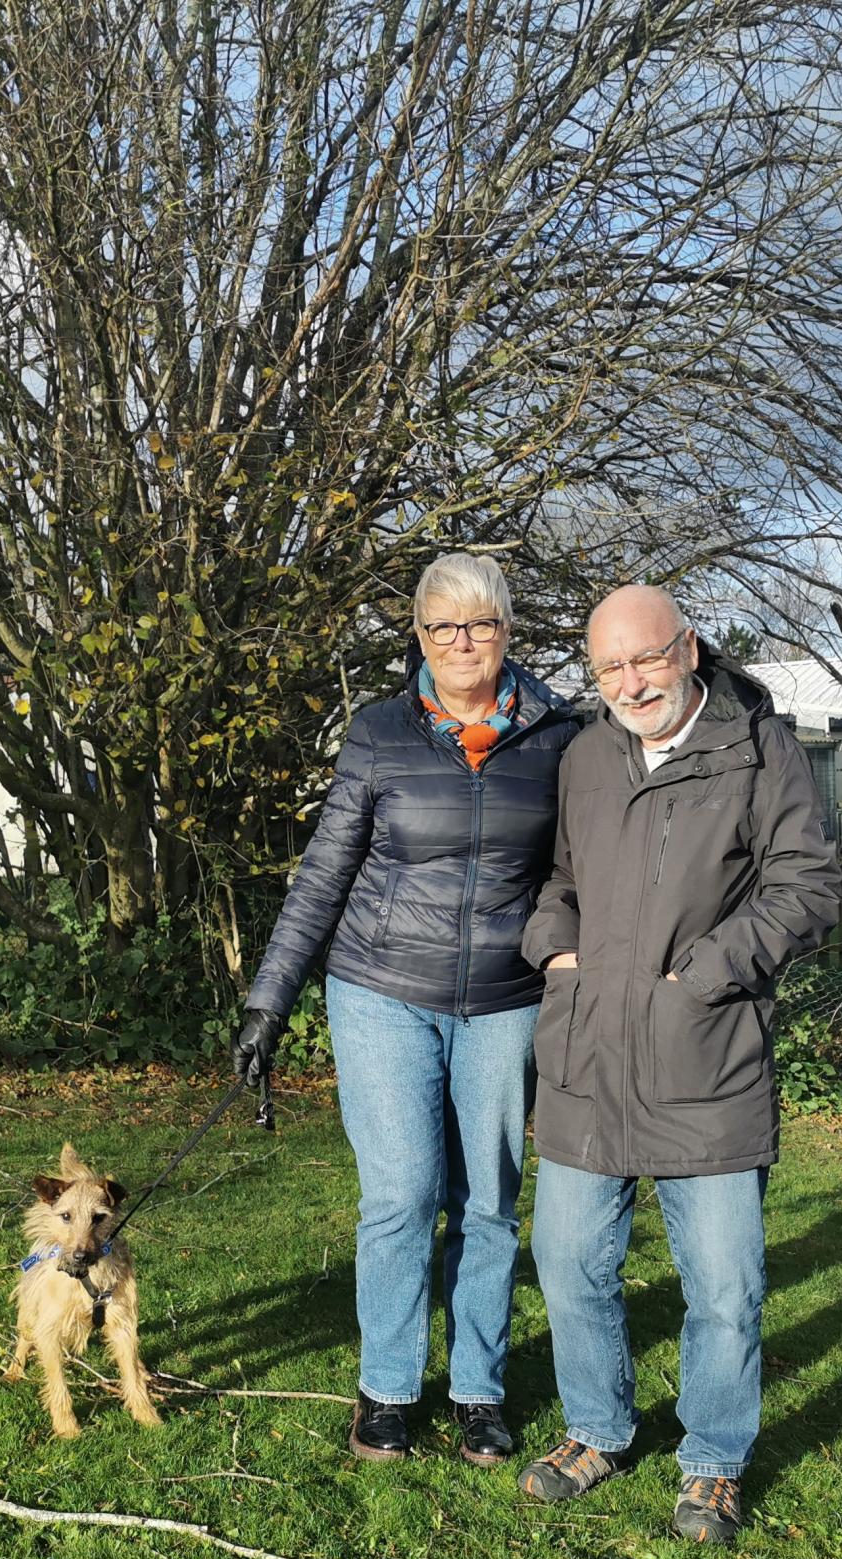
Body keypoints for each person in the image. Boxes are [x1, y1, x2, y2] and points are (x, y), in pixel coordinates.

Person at [232, 553, 581, 1465]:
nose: (464, 644)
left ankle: (478, 1390)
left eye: (483, 625)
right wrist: (270, 996)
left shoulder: (560, 735)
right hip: (381, 991)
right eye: (443, 628)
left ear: (511, 630)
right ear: (420, 637)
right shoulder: (382, 730)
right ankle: (385, 1390)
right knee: (400, 1195)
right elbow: (325, 873)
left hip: (507, 1001)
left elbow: (580, 873)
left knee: (490, 1205)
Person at [515, 583, 842, 1543]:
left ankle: (712, 1461)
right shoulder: (584, 756)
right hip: (587, 1052)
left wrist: (705, 974)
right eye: (609, 666)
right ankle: (597, 1431)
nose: (629, 681)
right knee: (570, 1263)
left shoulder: (756, 750)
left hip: (704, 1054)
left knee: (724, 1285)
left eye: (646, 658)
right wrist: (554, 946)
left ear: (689, 648)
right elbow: (561, 879)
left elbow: (807, 882)